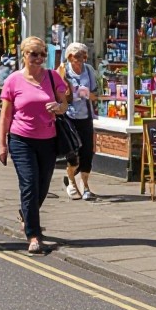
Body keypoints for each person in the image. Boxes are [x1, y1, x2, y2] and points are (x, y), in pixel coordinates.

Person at [0, 36, 69, 254]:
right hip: (21, 139)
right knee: (29, 185)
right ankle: (34, 235)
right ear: (24, 55)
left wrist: (58, 107)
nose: (38, 58)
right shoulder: (13, 80)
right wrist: (2, 144)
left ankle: (26, 214)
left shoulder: (52, 76)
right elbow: (6, 114)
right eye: (33, 54)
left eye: (42, 54)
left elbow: (64, 104)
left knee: (42, 186)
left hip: (48, 140)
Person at [60, 41, 99, 201]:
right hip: (69, 117)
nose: (81, 59)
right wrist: (69, 95)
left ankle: (85, 186)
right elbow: (57, 93)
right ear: (69, 57)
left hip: (86, 117)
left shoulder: (89, 70)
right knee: (72, 154)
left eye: (84, 55)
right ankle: (70, 181)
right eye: (77, 56)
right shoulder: (63, 71)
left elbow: (97, 95)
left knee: (87, 152)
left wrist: (88, 94)